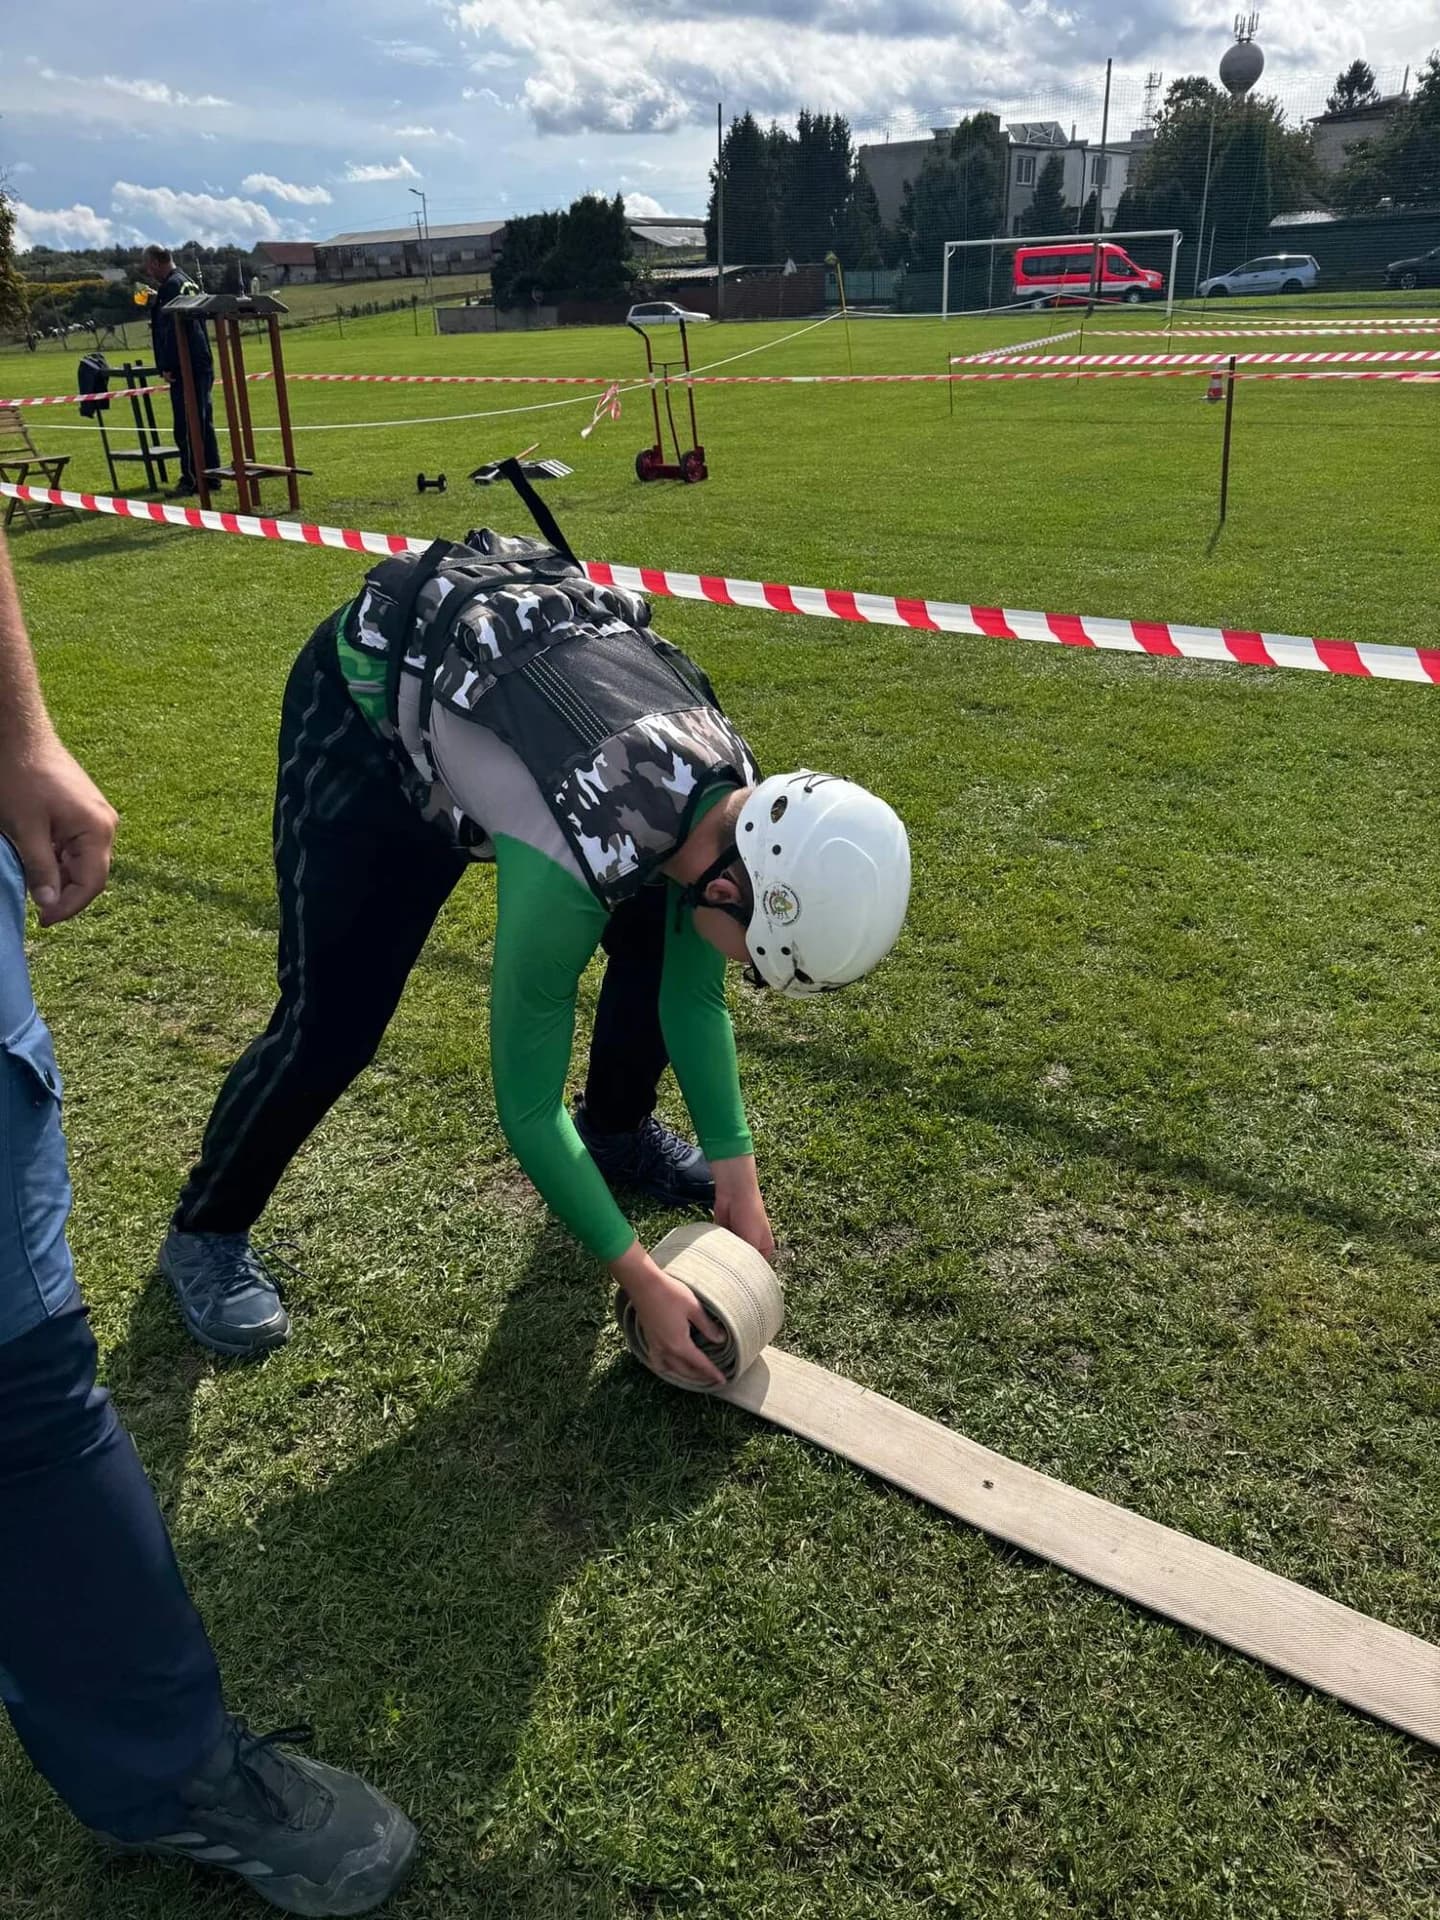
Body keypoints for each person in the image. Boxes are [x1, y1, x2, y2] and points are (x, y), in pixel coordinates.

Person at [161, 518, 911, 1385]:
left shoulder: (739, 811)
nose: (745, 975)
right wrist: (639, 1276)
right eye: (758, 961)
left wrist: (737, 1177)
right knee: (335, 1020)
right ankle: (206, 1229)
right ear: (727, 892)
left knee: (652, 941)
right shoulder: (572, 860)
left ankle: (616, 1134)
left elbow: (691, 997)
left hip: (513, 732)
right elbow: (525, 1106)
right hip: (371, 720)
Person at [0, 529, 417, 1913]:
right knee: (23, 1391)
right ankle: (167, 1767)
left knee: (18, 1374)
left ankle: (155, 1758)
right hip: (372, 726)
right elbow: (529, 1035)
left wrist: (18, 731)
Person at [142, 244, 221, 498]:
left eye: (148, 267)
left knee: (186, 424)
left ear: (155, 263)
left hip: (186, 364)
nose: (148, 272)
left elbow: (171, 330)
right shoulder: (187, 282)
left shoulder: (170, 287)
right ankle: (211, 474)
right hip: (202, 359)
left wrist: (167, 365)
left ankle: (191, 479)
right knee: (203, 421)